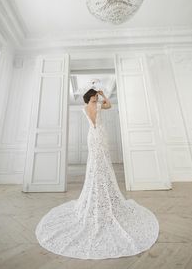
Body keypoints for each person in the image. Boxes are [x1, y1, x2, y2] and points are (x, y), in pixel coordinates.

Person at [35, 88, 159, 260]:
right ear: (90, 97)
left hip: (93, 135)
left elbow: (104, 108)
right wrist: (102, 95)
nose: (95, 98)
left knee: (99, 163)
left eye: (95, 96)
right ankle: (98, 190)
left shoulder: (85, 108)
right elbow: (109, 105)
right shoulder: (99, 105)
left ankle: (101, 189)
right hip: (98, 134)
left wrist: (99, 96)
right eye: (94, 96)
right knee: (98, 163)